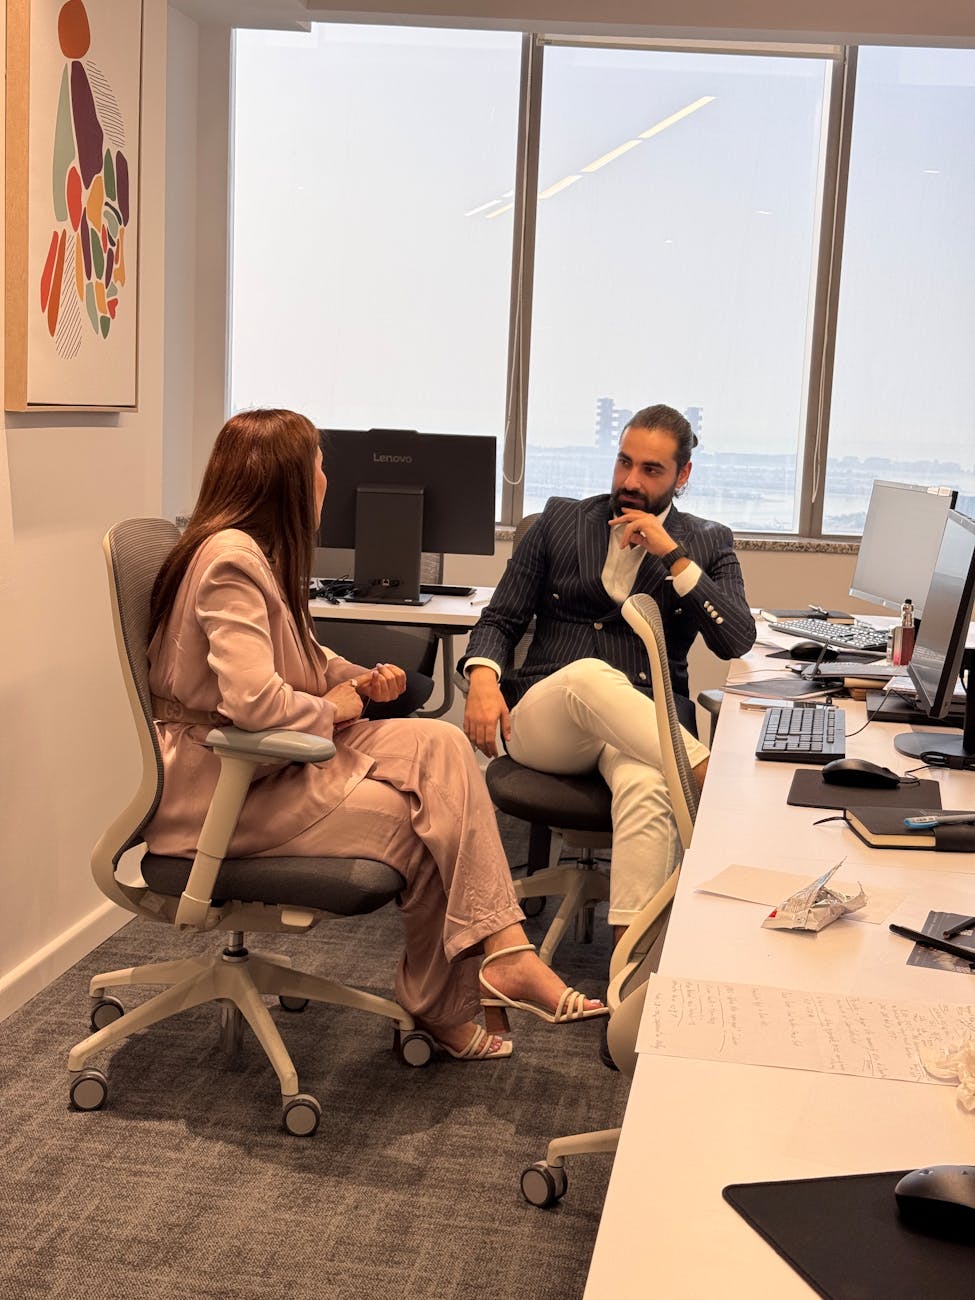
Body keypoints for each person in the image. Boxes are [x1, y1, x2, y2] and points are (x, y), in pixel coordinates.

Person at [145, 409, 607, 1063]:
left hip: (265, 762)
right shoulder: (230, 562)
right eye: (319, 467)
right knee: (422, 820)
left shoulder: (253, 554)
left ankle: (504, 951)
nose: (326, 481)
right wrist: (334, 706)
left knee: (441, 746)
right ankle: (443, 1001)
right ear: (288, 481)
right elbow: (252, 702)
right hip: (222, 787)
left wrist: (355, 680)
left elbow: (301, 658)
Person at [461, 403, 756, 940]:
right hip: (550, 721)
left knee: (649, 785)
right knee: (588, 675)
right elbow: (500, 618)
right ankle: (710, 777)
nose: (630, 481)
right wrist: (482, 679)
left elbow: (735, 639)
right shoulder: (559, 521)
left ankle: (628, 968)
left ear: (683, 475)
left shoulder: (708, 541)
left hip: (640, 727)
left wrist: (672, 556)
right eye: (624, 463)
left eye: (651, 469)